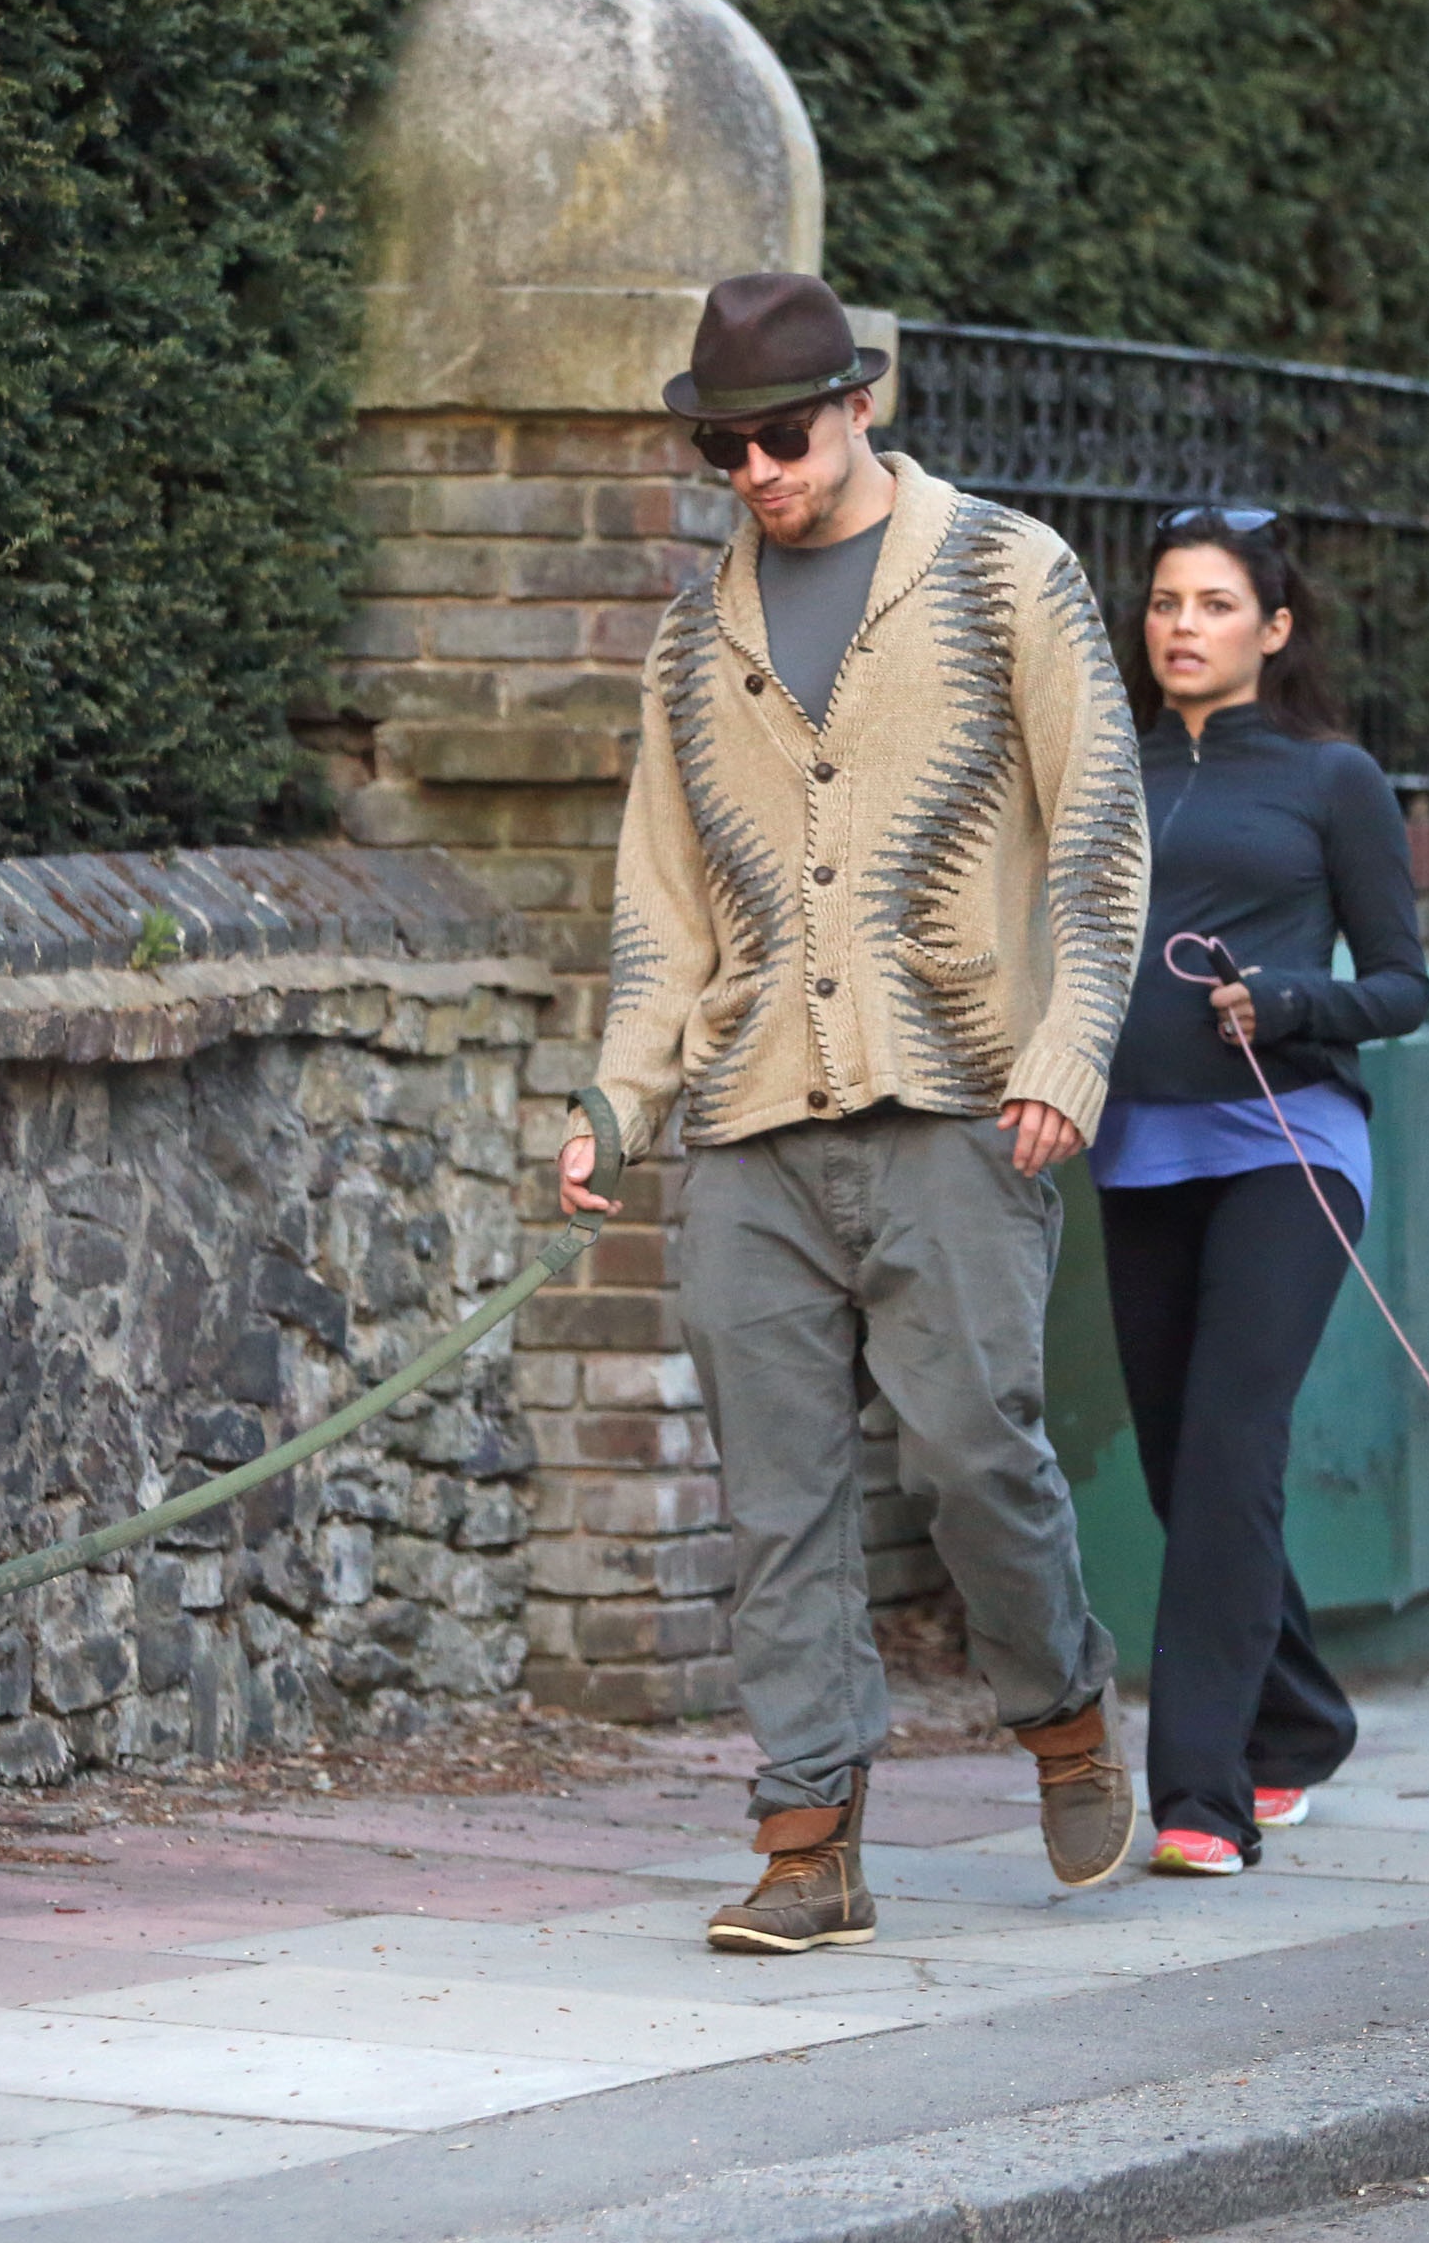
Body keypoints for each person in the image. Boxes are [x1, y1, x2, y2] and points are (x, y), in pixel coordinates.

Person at [558, 271, 1151, 1952]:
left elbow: (1101, 838)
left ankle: (1060, 1707)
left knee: (977, 1457)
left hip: (966, 1103)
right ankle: (808, 1838)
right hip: (749, 1122)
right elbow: (660, 909)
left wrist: (1069, 1052)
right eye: (723, 448)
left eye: (782, 436)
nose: (754, 471)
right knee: (778, 1501)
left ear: (859, 405)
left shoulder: (1008, 574)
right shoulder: (694, 641)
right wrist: (619, 1091)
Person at [1091, 506, 1429, 1875]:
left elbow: (1400, 986)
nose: (1182, 625)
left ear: (1274, 629)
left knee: (1233, 1453)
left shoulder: (1332, 777)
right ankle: (1297, 1721)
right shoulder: (1102, 770)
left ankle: (1199, 1798)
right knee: (1190, 1476)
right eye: (1168, 602)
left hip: (1288, 1143)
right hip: (1137, 1148)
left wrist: (1288, 999)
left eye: (1216, 605)